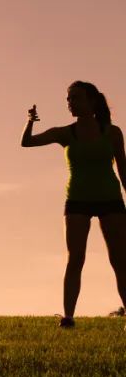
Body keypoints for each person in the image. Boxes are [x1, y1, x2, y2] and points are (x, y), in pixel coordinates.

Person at [22, 81, 126, 327]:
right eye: (69, 99)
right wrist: (30, 120)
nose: (70, 103)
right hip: (77, 200)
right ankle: (68, 317)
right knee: (75, 258)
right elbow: (27, 142)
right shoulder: (65, 133)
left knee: (120, 260)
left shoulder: (112, 133)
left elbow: (124, 171)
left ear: (91, 101)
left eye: (76, 98)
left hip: (110, 200)